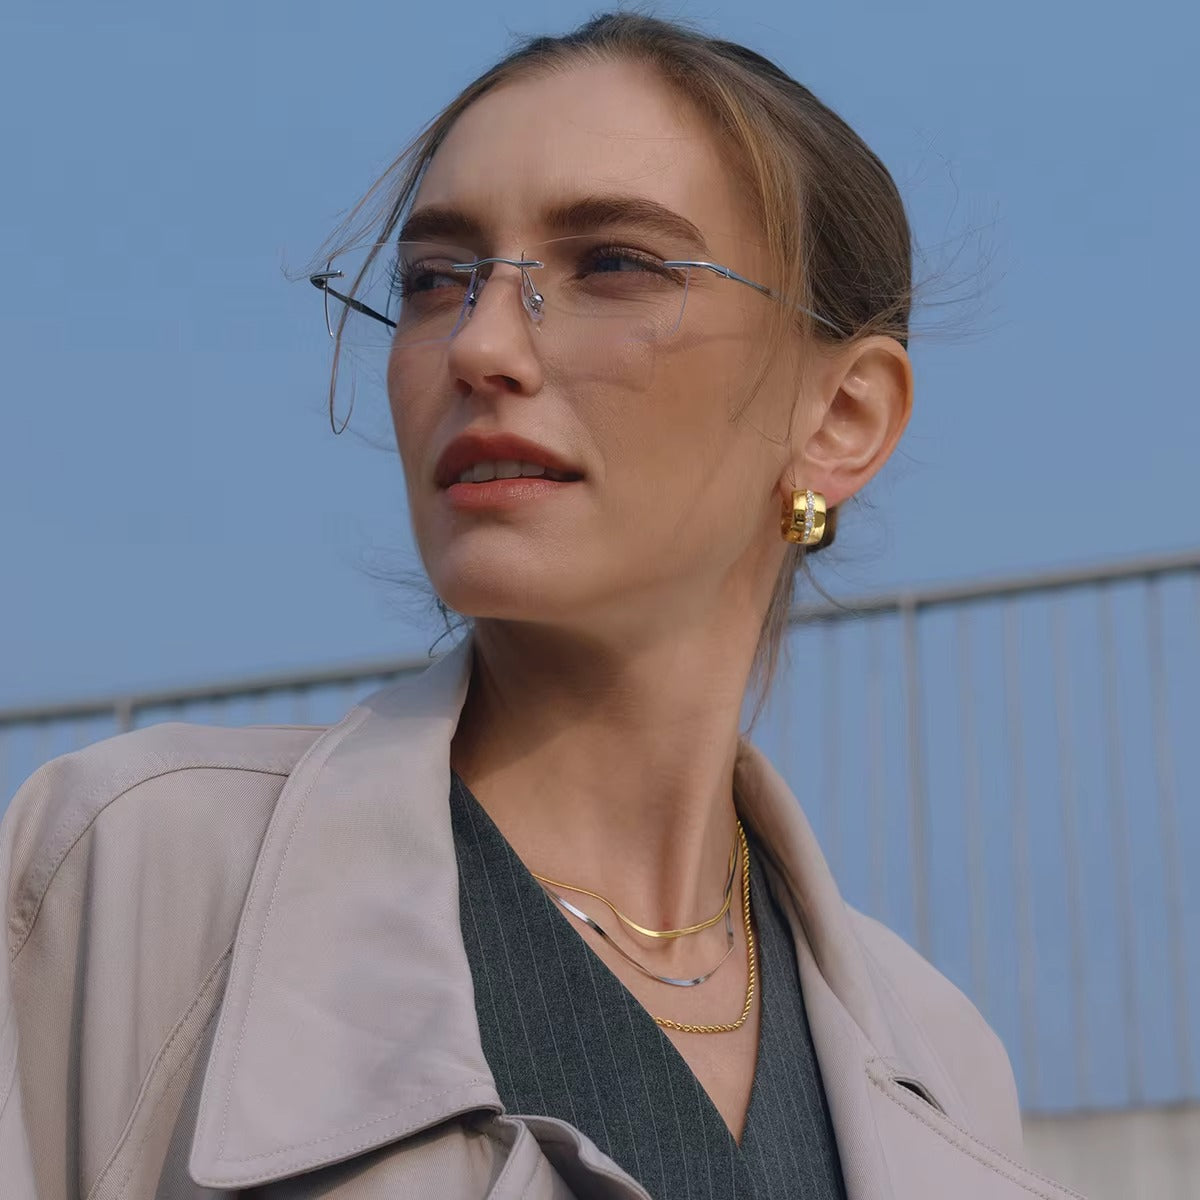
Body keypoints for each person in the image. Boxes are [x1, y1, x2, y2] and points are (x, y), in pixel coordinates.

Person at [0, 13, 1082, 1200]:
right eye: (435, 279)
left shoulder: (947, 1073)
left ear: (842, 419)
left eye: (612, 264)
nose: (480, 345)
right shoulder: (139, 880)